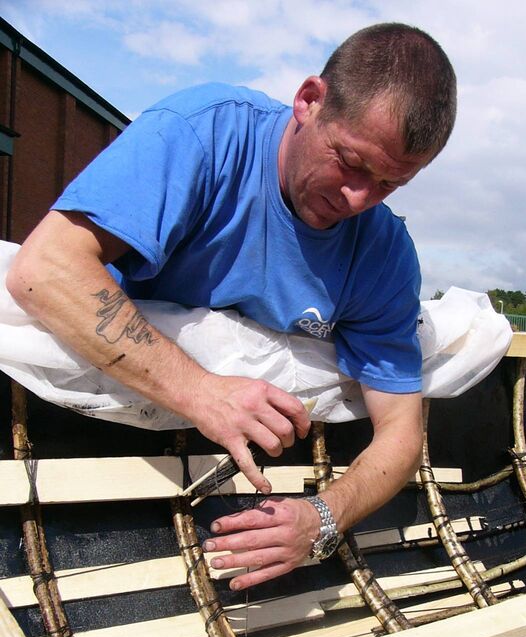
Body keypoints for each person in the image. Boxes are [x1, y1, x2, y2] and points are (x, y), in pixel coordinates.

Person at [6, 23, 456, 590]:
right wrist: (201, 390)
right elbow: (44, 270)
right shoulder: (204, 134)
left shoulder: (384, 252)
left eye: (390, 184)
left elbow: (401, 431)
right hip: (83, 428)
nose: (358, 199)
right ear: (309, 100)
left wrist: (324, 517)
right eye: (350, 161)